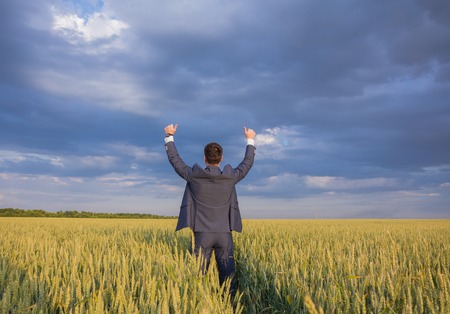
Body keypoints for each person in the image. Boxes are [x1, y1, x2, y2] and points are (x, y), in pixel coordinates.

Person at [164, 123, 256, 297]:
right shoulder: (230, 177)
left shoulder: (194, 175)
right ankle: (231, 307)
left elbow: (176, 162)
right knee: (228, 281)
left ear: (205, 158)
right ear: (221, 159)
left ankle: (198, 306)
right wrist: (250, 139)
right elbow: (247, 164)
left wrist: (170, 136)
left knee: (198, 278)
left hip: (201, 234)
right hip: (224, 235)